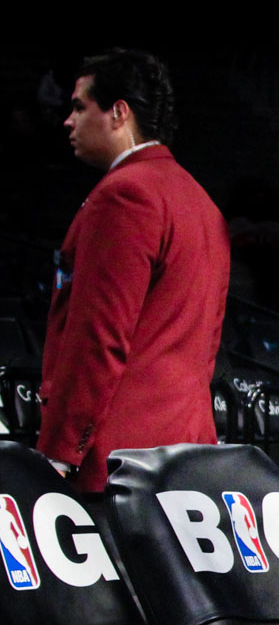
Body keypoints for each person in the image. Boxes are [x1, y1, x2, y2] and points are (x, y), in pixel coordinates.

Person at [36, 48, 229, 494]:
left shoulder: (123, 195)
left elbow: (97, 337)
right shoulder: (203, 202)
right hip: (189, 454)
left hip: (117, 461)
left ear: (119, 112)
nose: (68, 121)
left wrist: (61, 451)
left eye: (80, 107)